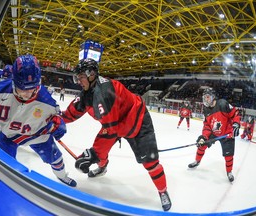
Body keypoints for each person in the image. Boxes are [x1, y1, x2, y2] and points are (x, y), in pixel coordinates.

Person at [60, 58, 172, 211]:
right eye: (77, 77)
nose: (78, 81)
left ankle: (162, 191)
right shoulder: (88, 91)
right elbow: (72, 113)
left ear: (91, 74)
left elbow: (110, 130)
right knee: (101, 151)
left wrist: (92, 154)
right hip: (115, 124)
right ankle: (102, 167)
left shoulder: (105, 93)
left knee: (150, 163)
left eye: (81, 77)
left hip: (137, 123)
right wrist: (55, 120)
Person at [0, 54, 76, 187]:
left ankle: (63, 176)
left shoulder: (47, 102)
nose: (27, 94)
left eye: (32, 88)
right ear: (13, 81)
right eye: (22, 89)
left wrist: (59, 125)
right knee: (4, 166)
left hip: (38, 136)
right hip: (10, 137)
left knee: (56, 159)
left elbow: (58, 120)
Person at [188, 87, 241, 182]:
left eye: (207, 97)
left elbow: (235, 113)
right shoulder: (206, 109)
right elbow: (207, 125)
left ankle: (229, 172)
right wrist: (204, 136)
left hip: (226, 133)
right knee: (202, 145)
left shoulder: (222, 104)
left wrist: (236, 124)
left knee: (228, 155)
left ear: (213, 97)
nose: (205, 99)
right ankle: (197, 161)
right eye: (204, 97)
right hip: (214, 132)